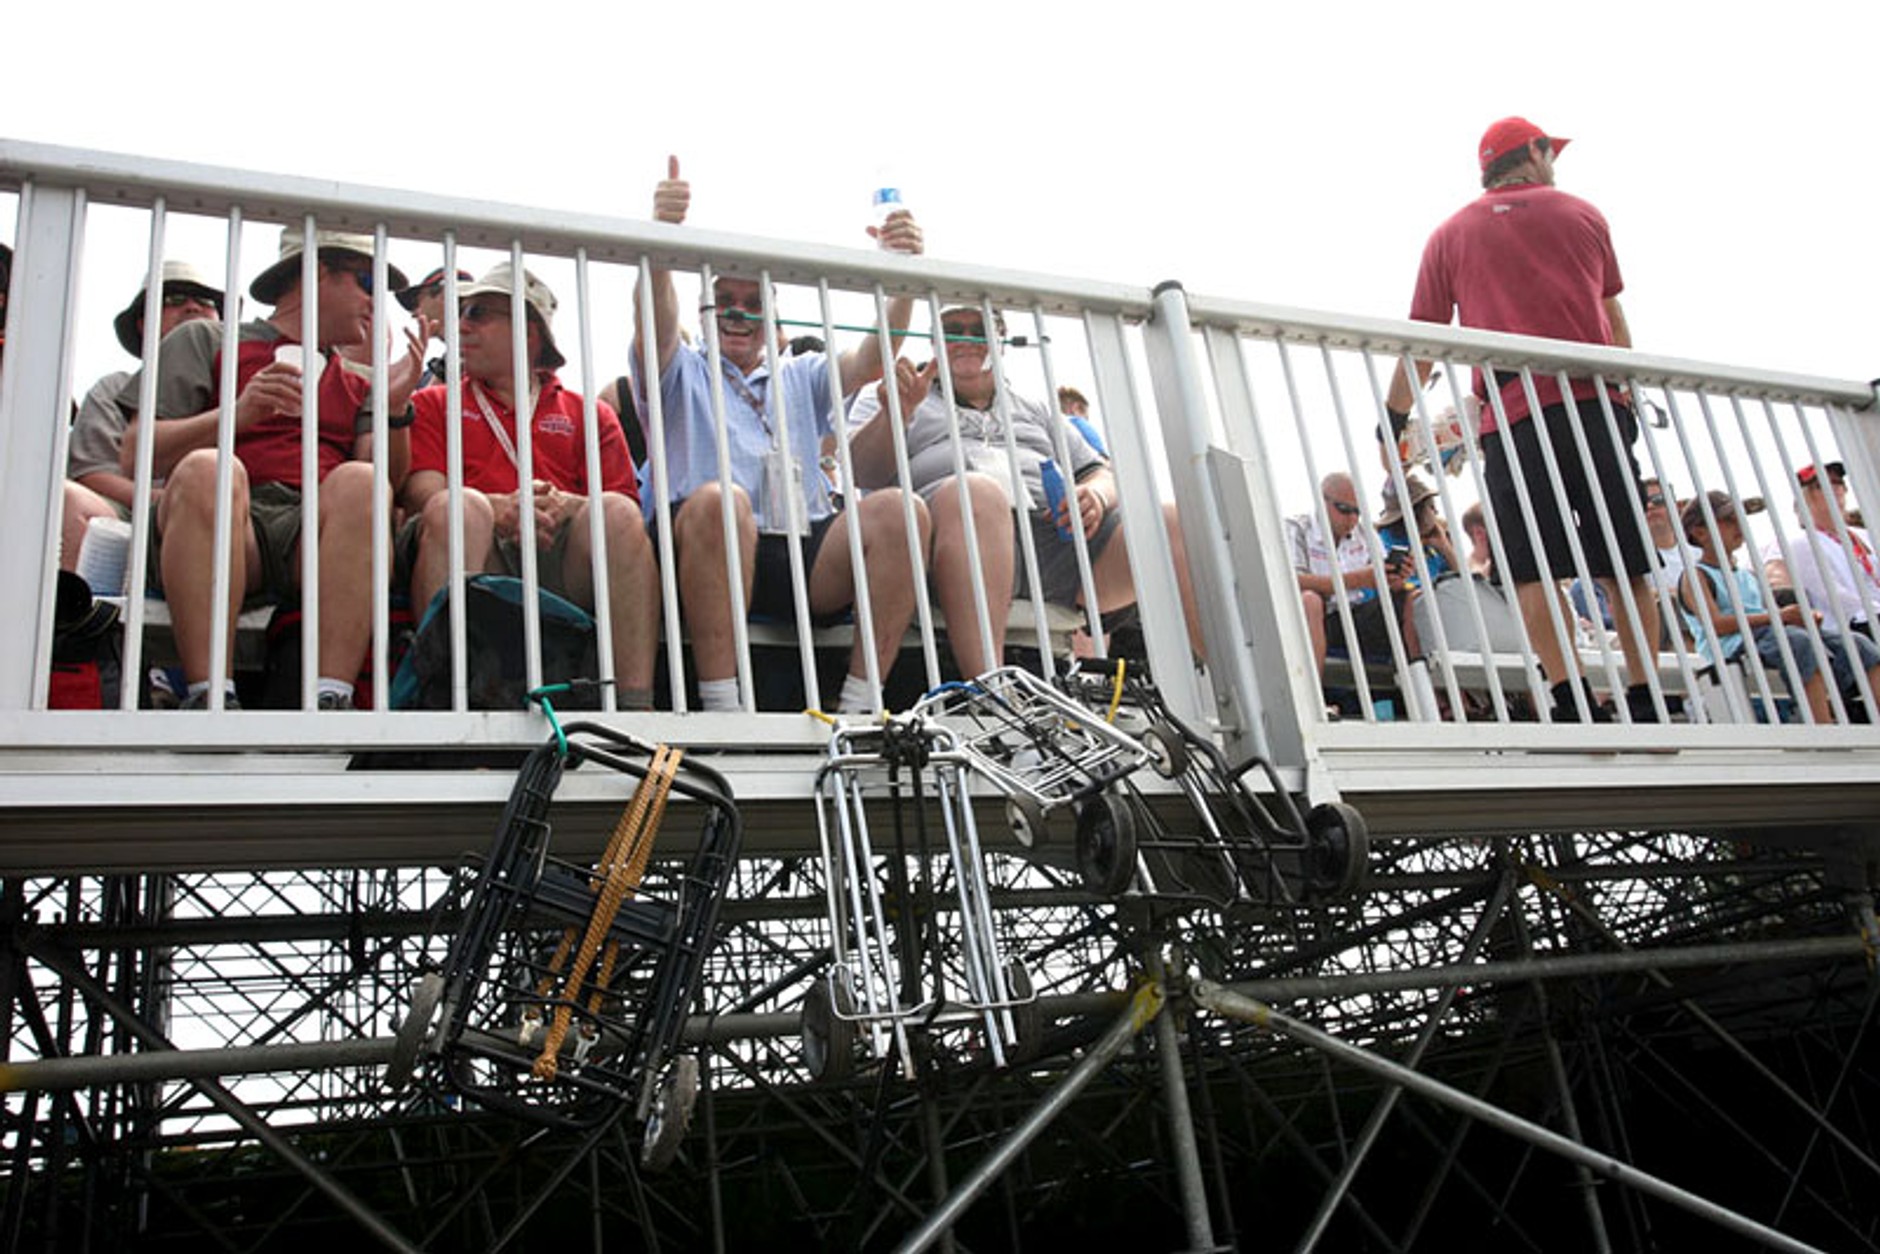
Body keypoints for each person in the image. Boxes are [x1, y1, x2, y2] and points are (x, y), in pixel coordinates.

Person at [1386, 117, 1659, 723]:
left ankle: (1569, 695)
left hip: (1514, 418)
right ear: (1532, 154)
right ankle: (1643, 696)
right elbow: (1611, 318)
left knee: (1533, 568)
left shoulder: (1449, 234)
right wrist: (1627, 395)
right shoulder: (1585, 215)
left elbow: (1422, 341)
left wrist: (1393, 417)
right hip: (1594, 406)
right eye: (1549, 151)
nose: (1553, 161)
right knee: (1625, 559)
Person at [632, 156, 927, 714]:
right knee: (723, 500)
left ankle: (861, 708)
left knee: (902, 511)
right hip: (707, 549)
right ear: (706, 310)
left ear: (771, 317)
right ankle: (724, 709)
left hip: (802, 550)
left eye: (752, 305)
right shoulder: (679, 368)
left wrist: (902, 275)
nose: (738, 315)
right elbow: (655, 317)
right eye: (725, 303)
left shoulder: (801, 374)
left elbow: (873, 354)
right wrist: (660, 243)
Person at [118, 228, 422, 710]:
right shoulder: (208, 339)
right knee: (209, 469)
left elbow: (387, 482)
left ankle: (330, 700)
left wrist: (395, 407)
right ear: (316, 272)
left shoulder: (361, 381)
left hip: (311, 534)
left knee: (363, 482)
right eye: (366, 280)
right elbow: (135, 454)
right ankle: (208, 696)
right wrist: (238, 415)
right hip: (220, 521)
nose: (375, 300)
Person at [848, 307, 1202, 677]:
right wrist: (896, 414)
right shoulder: (894, 395)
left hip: (1051, 539)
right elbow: (860, 471)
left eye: (979, 328)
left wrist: (1094, 495)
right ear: (935, 341)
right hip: (950, 542)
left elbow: (1100, 471)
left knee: (1175, 520)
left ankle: (1240, 702)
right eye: (953, 330)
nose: (967, 338)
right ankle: (991, 690)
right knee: (979, 494)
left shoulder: (1037, 409)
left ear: (1000, 338)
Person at [400, 263, 659, 708]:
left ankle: (633, 707)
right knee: (458, 508)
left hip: (557, 555)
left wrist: (564, 506)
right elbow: (422, 493)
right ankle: (441, 699)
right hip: (476, 547)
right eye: (461, 312)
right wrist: (498, 507)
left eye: (478, 313)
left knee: (616, 515)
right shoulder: (434, 401)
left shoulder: (590, 414)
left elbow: (623, 505)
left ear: (529, 332)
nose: (460, 325)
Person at [1680, 490, 1880, 723]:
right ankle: (1820, 725)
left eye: (1740, 519)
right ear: (1699, 532)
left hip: (1765, 635)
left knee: (1859, 645)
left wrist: (1796, 617)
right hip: (1732, 644)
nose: (1739, 526)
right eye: (1728, 520)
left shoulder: (1746, 575)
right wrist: (1779, 617)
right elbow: (1716, 625)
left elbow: (1769, 616)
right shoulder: (1697, 575)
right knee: (1800, 643)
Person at [1288, 471, 1403, 676]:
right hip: (1315, 618)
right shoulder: (1298, 527)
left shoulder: (1364, 532)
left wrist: (1394, 577)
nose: (1351, 518)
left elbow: (1379, 577)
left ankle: (1434, 694)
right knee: (1310, 600)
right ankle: (1314, 697)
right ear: (1321, 500)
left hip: (1353, 615)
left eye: (1357, 511)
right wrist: (1357, 580)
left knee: (1410, 599)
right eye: (1344, 509)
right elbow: (1292, 581)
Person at [1765, 461, 1879, 641]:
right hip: (1853, 624)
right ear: (1805, 497)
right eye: (1820, 485)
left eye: (1837, 482)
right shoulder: (1802, 543)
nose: (1833, 488)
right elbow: (1832, 594)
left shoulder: (1865, 535)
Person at [1375, 473, 1456, 657]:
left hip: (1437, 616)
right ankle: (1418, 666)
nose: (1436, 514)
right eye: (1431, 508)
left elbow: (1466, 583)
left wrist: (1446, 548)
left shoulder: (1434, 544)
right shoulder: (1386, 542)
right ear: (1415, 512)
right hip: (1396, 615)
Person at [394, 265, 475, 389]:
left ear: (445, 296)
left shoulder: (493, 360)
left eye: (417, 303)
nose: (414, 314)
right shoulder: (426, 376)